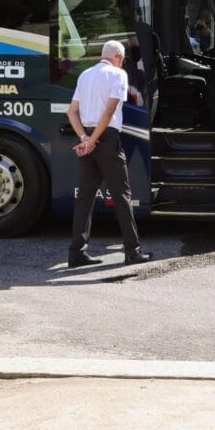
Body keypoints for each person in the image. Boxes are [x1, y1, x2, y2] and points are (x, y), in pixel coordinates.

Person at [66, 39, 151, 268]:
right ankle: (133, 251)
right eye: (122, 60)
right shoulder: (118, 75)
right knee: (122, 195)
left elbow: (72, 112)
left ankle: (76, 253)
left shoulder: (84, 75)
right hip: (107, 140)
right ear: (118, 58)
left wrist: (84, 139)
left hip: (87, 139)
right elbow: (111, 110)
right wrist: (93, 141)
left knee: (84, 198)